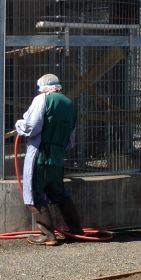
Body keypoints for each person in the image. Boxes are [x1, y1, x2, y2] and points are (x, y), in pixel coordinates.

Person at [15, 73, 84, 245]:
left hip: (40, 154)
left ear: (42, 87)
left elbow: (31, 127)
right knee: (59, 193)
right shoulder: (70, 104)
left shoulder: (42, 100)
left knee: (33, 193)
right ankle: (76, 229)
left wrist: (19, 125)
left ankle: (47, 234)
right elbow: (70, 140)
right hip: (58, 156)